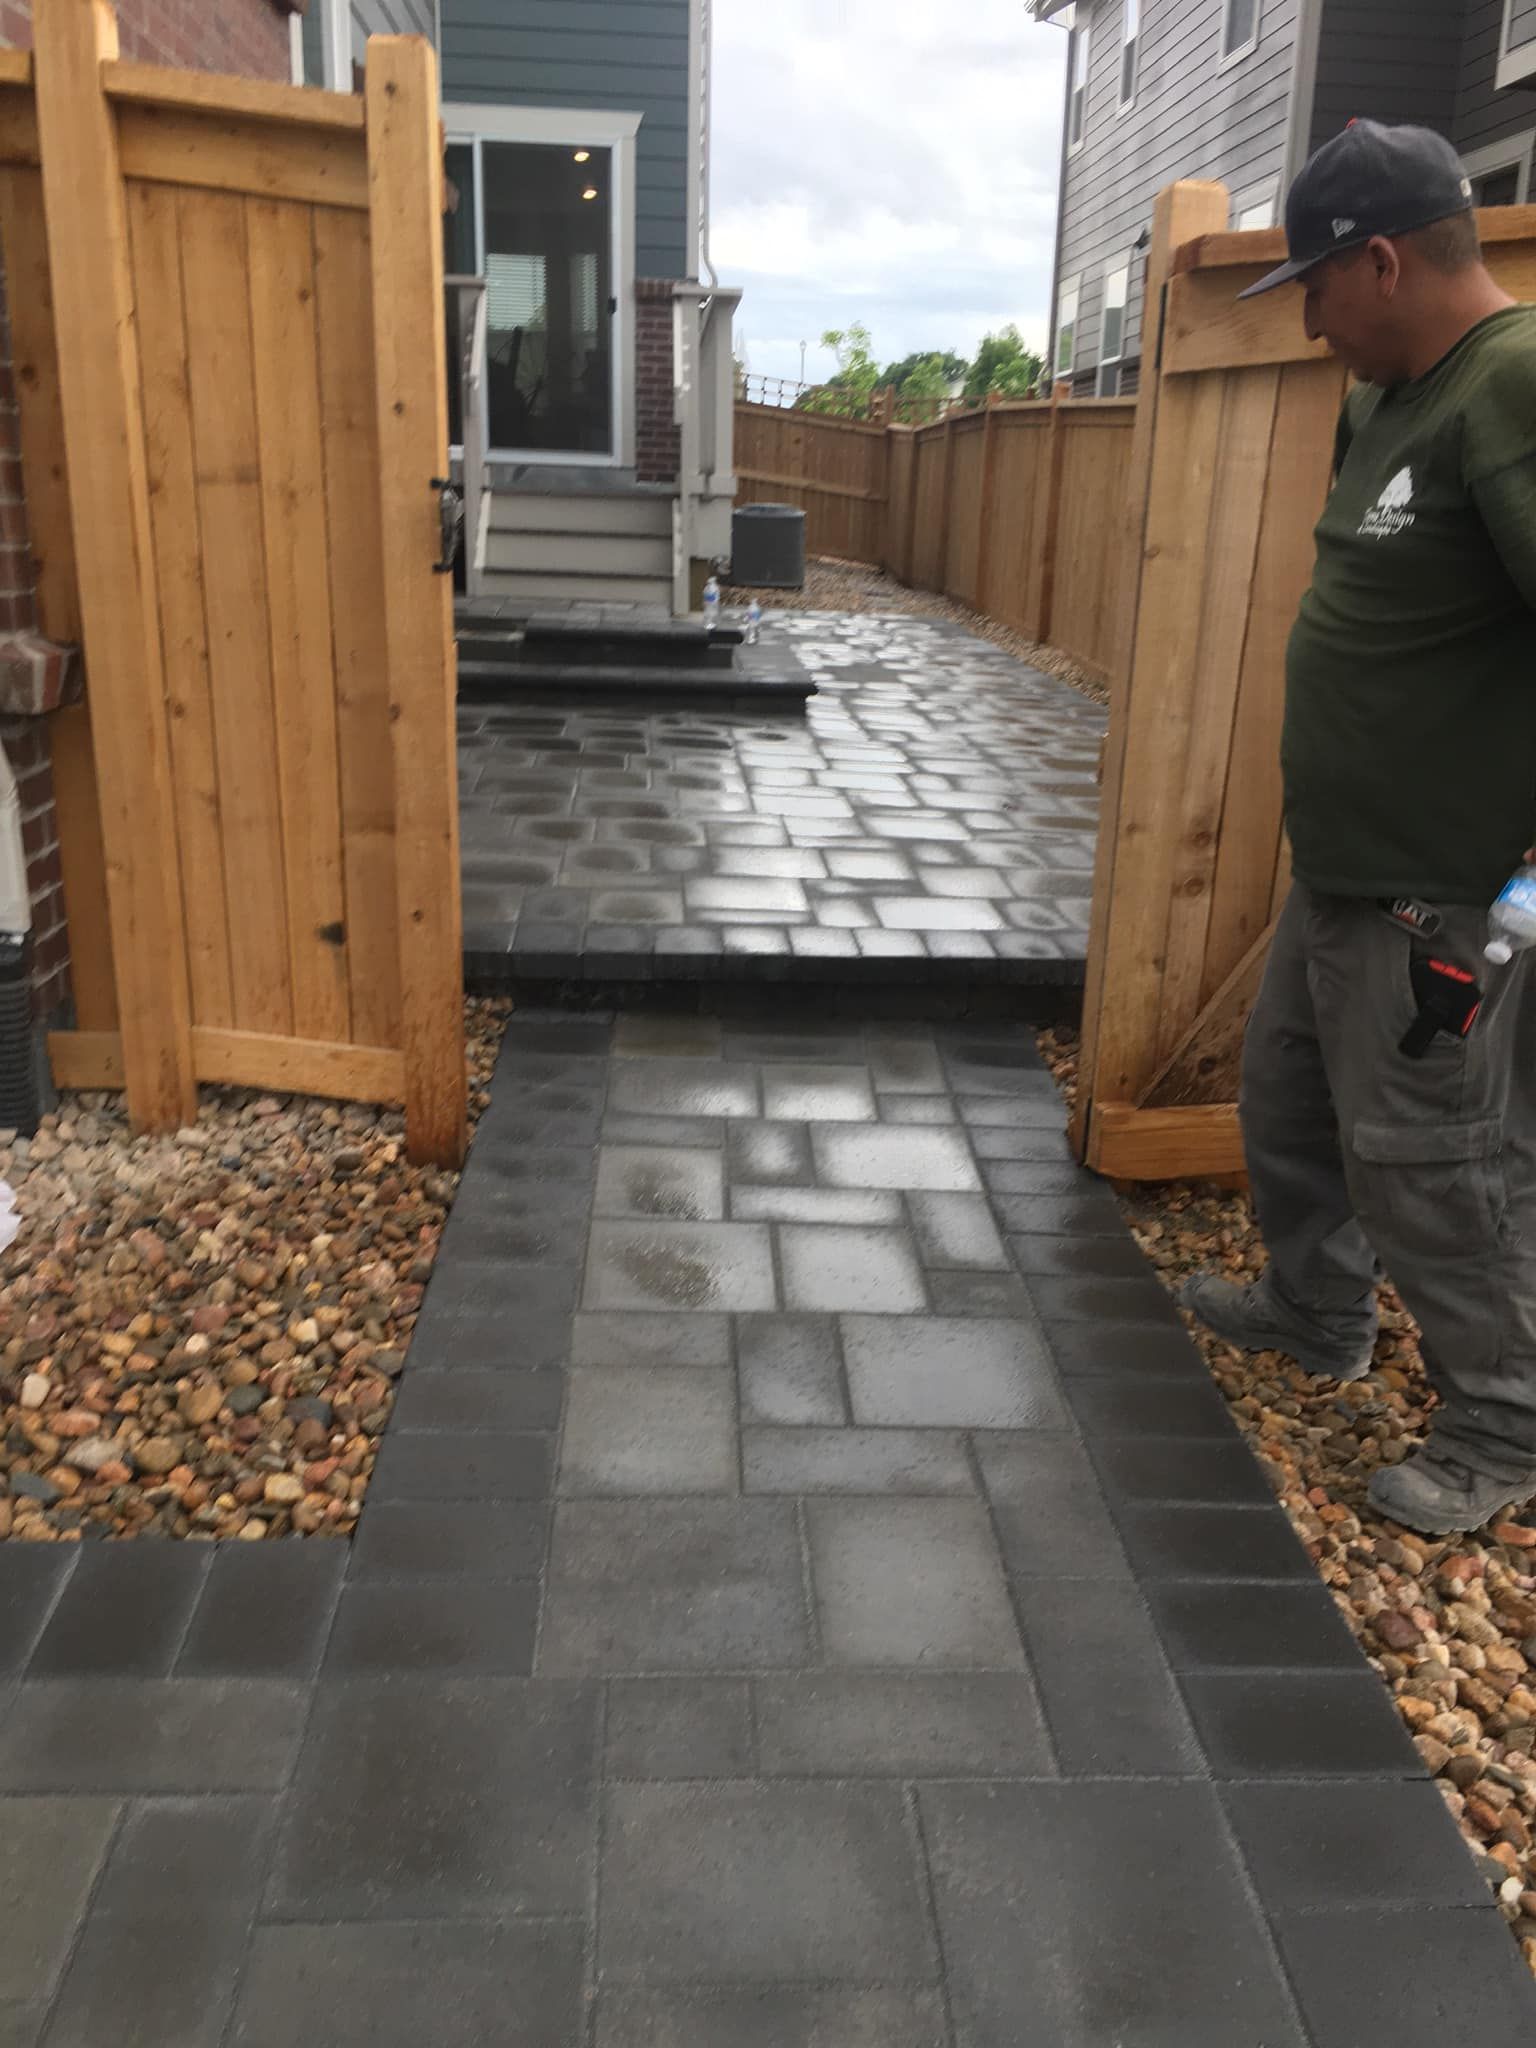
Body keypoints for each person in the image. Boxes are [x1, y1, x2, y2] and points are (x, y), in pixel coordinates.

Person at [1179, 119, 1536, 1538]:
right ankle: (1317, 1311)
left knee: (1437, 1158)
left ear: (1381, 263)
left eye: (1317, 290)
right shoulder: (1392, 393)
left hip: (1441, 890)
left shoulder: (1511, 389)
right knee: (1289, 1106)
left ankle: (1505, 1422)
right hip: (1342, 866)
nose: (1312, 323)